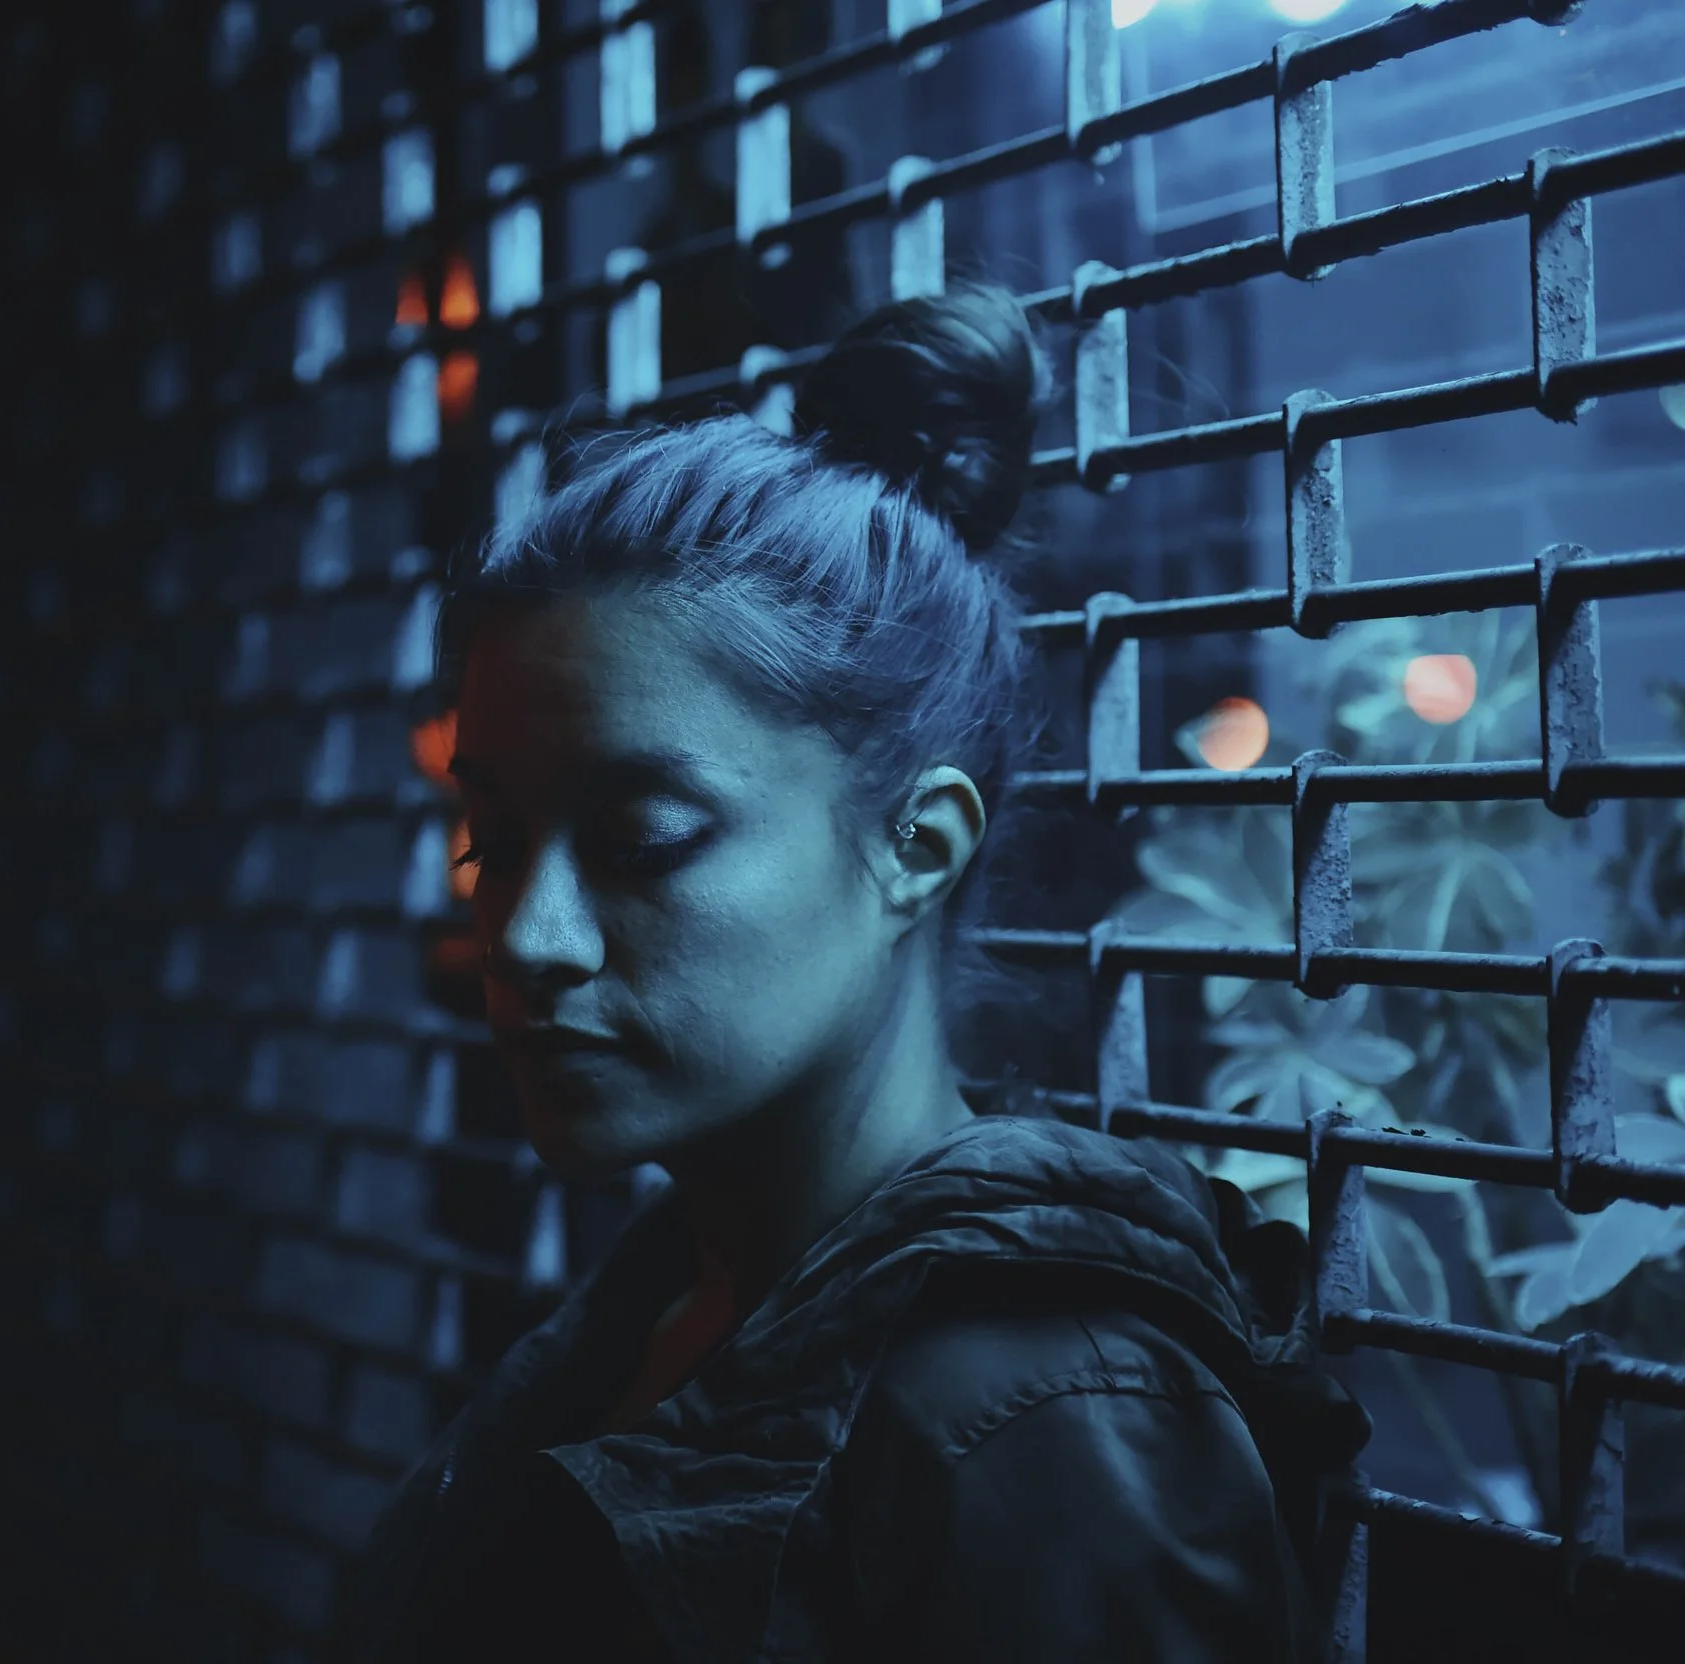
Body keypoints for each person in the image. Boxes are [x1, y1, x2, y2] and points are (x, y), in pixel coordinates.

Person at [340, 281, 1371, 1662]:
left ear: (915, 846)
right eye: (496, 845)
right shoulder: (676, 1301)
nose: (528, 937)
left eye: (642, 844)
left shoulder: (1043, 1415)